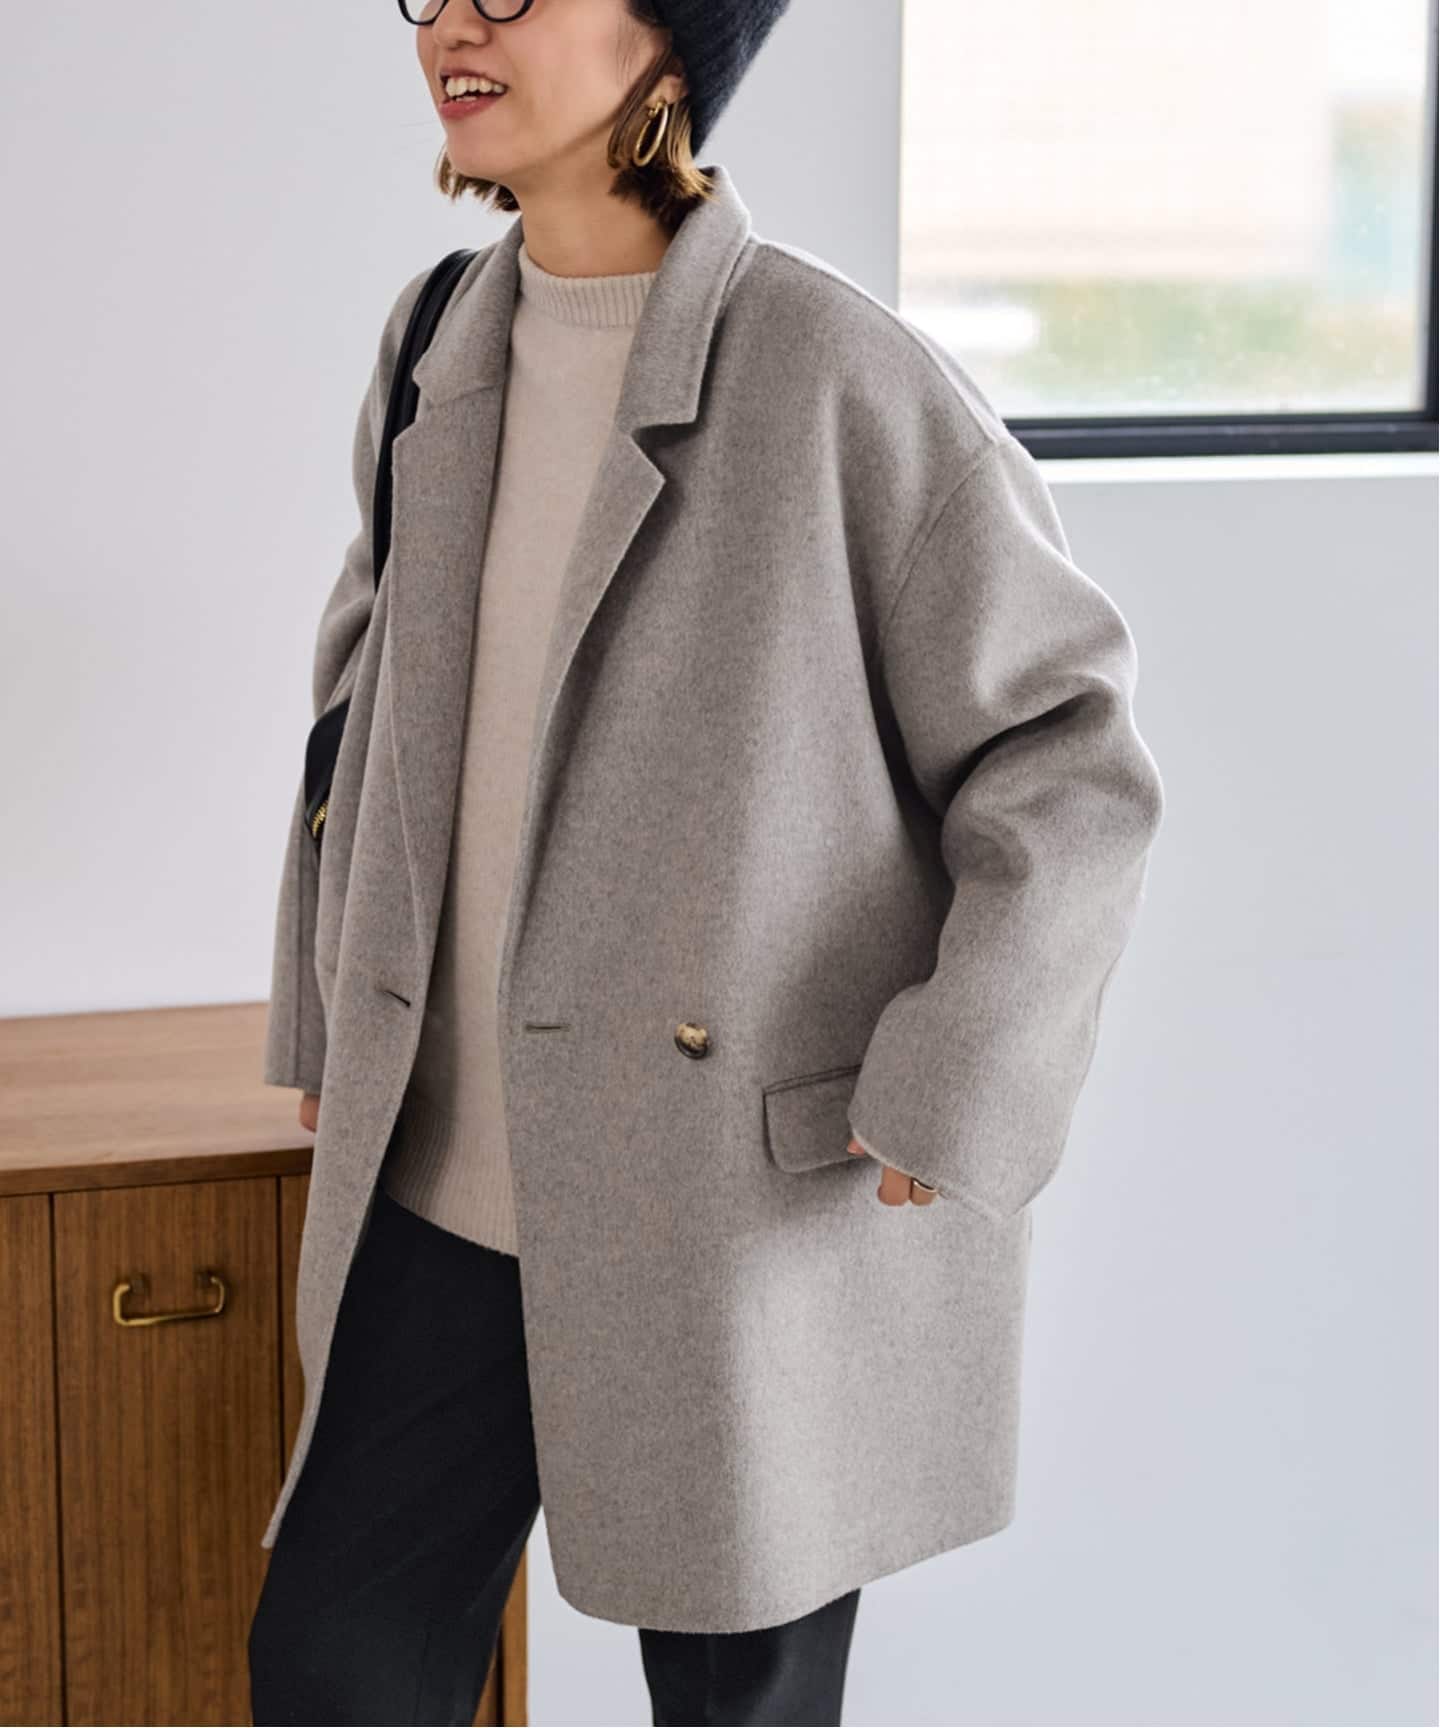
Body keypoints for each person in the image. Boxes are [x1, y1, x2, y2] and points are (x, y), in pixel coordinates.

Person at [248, 0, 1165, 1722]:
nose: (454, 25)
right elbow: (355, 709)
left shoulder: (834, 372)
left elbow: (1068, 753)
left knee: (738, 1706)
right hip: (439, 1185)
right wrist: (325, 1012)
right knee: (333, 1669)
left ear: (673, 40)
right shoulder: (435, 337)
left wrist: (962, 1075)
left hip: (727, 1207)